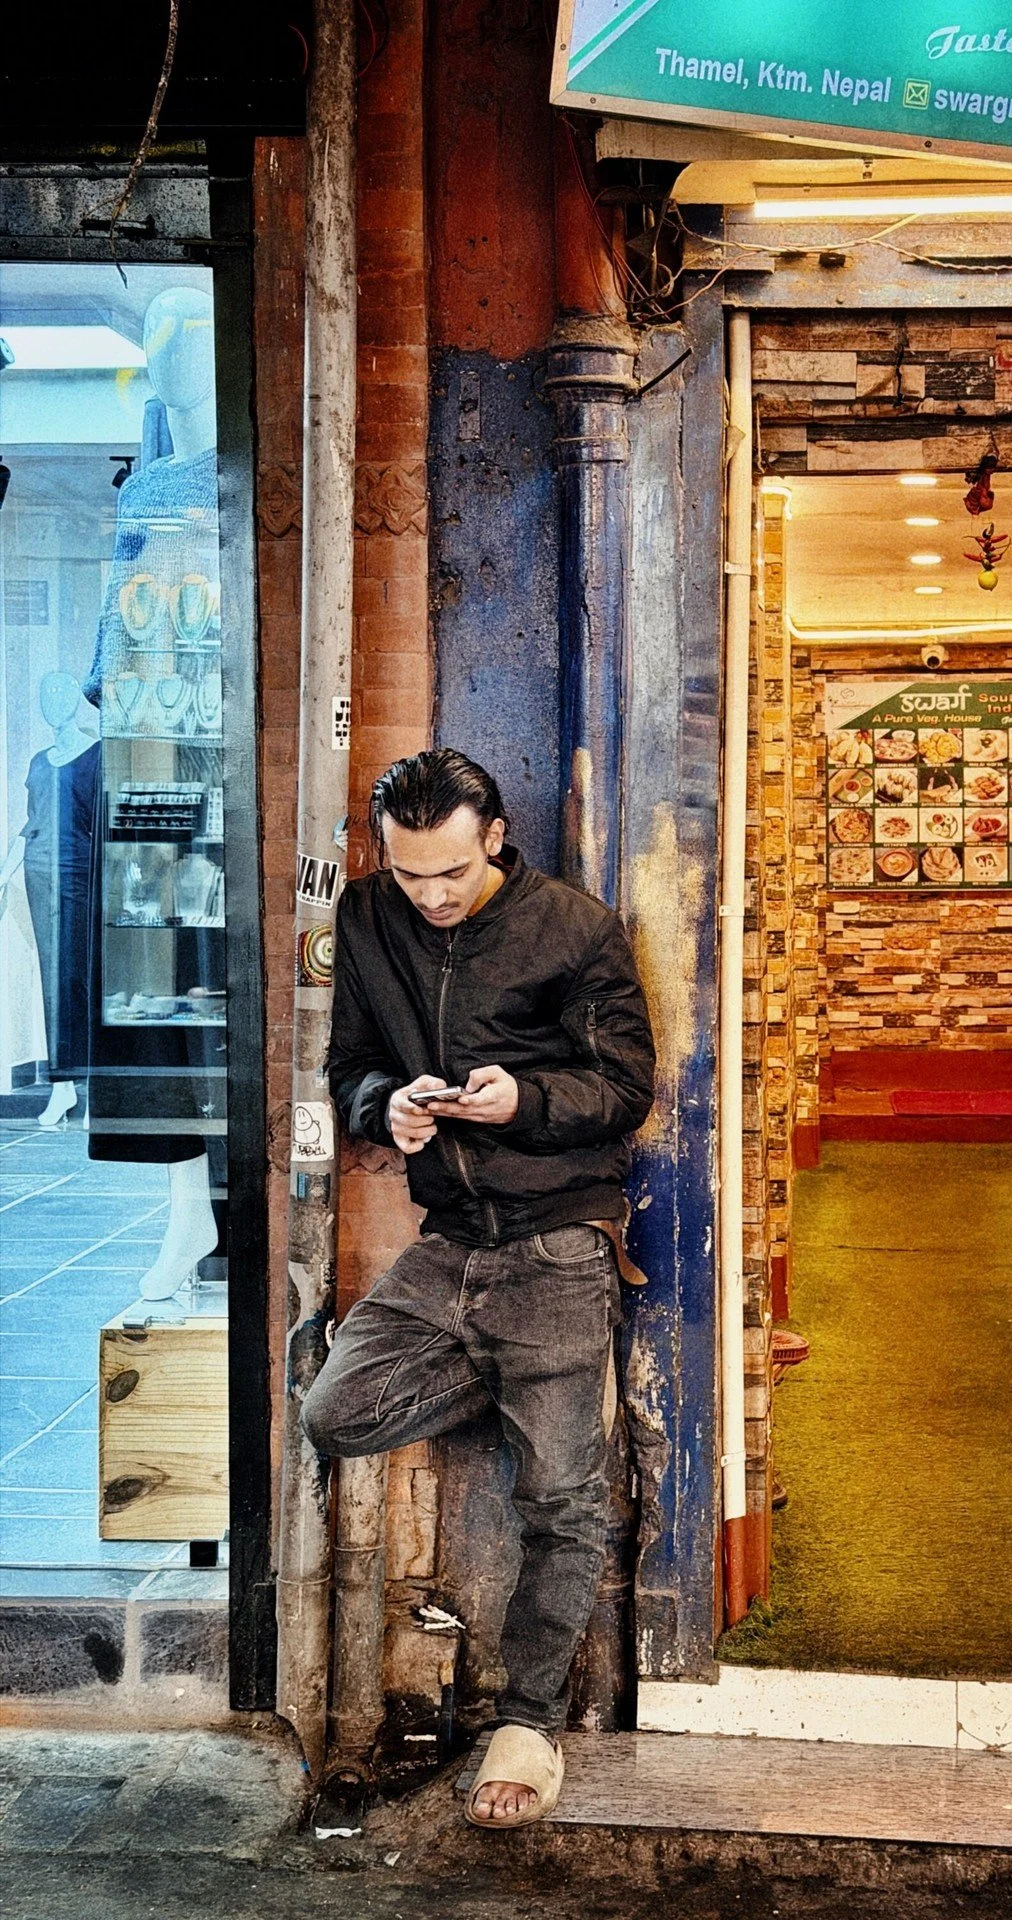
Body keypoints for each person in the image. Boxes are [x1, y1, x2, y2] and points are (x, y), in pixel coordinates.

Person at [302, 748, 655, 1829]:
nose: (435, 896)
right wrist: (384, 1107)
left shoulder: (576, 928)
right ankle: (521, 1384)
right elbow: (352, 1059)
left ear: (495, 834)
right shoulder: (367, 919)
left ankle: (528, 1722)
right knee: (336, 1411)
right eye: (412, 876)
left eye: (452, 871)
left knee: (560, 1499)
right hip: (448, 1243)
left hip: (556, 1242)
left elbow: (624, 1088)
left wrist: (525, 1100)